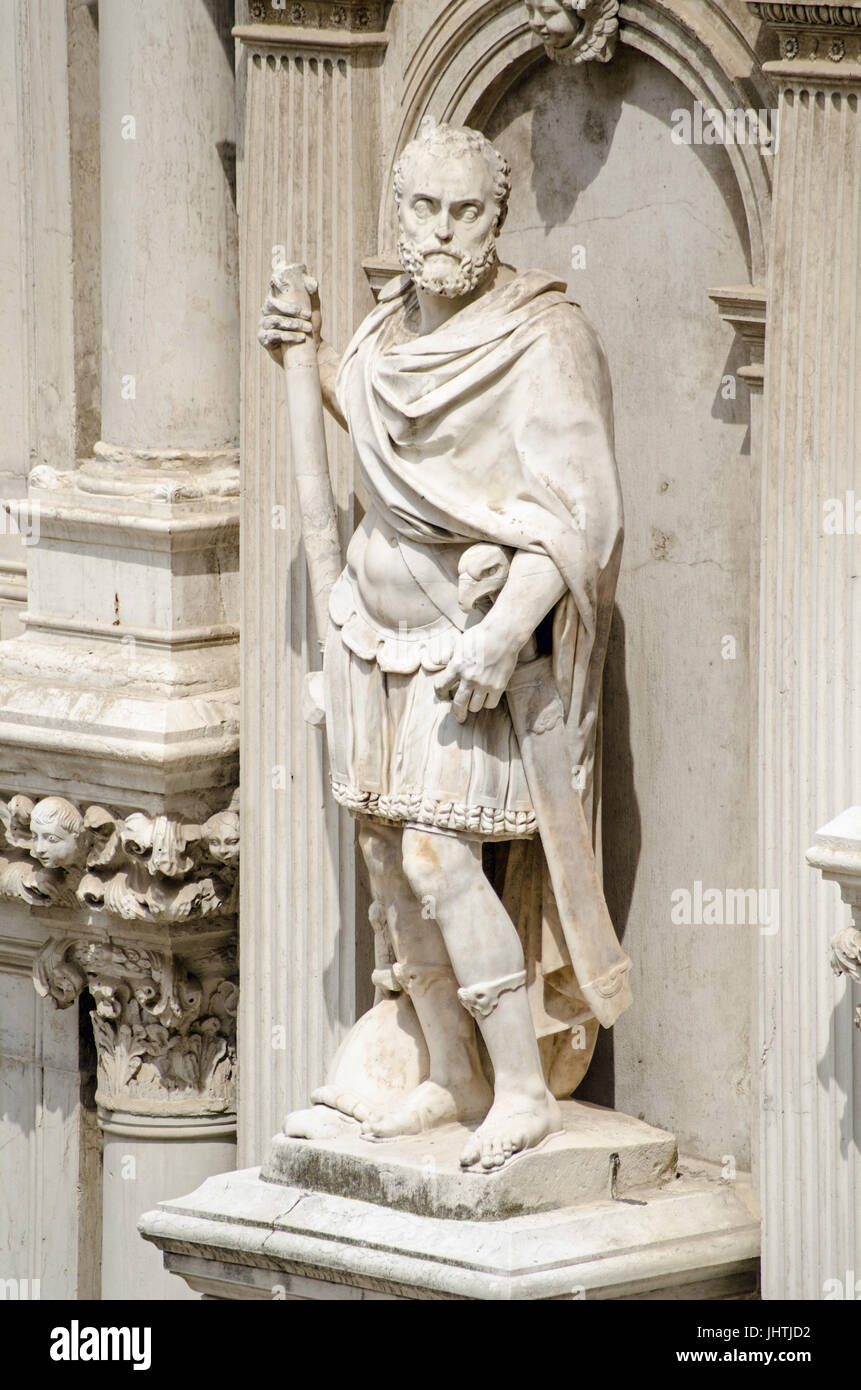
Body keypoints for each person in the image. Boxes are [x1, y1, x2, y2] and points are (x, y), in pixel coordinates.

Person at [258, 118, 630, 1171]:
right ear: (399, 208)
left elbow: (583, 512)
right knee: (385, 855)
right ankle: (451, 1070)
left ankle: (520, 1088)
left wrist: (509, 629)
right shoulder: (389, 328)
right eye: (423, 206)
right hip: (373, 634)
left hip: (469, 646)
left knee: (438, 853)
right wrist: (309, 357)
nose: (441, 229)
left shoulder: (542, 336)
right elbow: (389, 432)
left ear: (496, 218)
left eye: (465, 210)